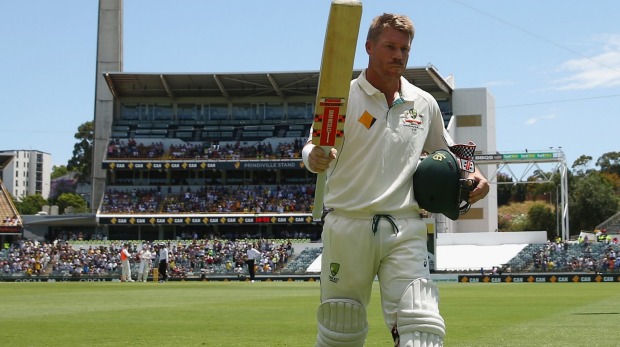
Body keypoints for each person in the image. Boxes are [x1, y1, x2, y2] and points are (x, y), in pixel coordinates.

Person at [302, 13, 490, 347]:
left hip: (405, 225)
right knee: (340, 326)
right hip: (349, 223)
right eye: (390, 46)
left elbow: (450, 152)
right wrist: (314, 157)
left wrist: (473, 173)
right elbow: (314, 146)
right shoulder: (341, 98)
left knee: (422, 326)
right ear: (369, 47)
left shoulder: (424, 102)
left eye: (405, 49)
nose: (399, 55)